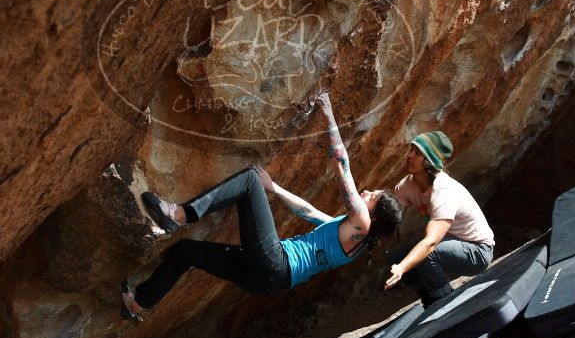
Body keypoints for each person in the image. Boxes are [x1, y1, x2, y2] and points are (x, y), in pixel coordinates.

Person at [120, 93, 403, 321]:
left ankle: (178, 215)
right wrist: (275, 188)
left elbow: (342, 164)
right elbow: (310, 212)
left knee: (249, 181)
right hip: (268, 280)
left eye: (372, 196)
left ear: (375, 215)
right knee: (186, 252)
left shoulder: (362, 222)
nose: (366, 192)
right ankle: (138, 305)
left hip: (277, 263)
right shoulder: (355, 239)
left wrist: (328, 114)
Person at [383, 131, 494, 305]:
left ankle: (445, 302)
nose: (409, 155)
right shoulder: (408, 185)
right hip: (448, 243)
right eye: (411, 150)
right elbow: (391, 213)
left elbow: (431, 242)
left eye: (417, 153)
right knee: (396, 256)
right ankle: (430, 297)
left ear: (429, 160)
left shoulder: (443, 191)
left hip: (477, 250)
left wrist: (402, 268)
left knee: (427, 253)